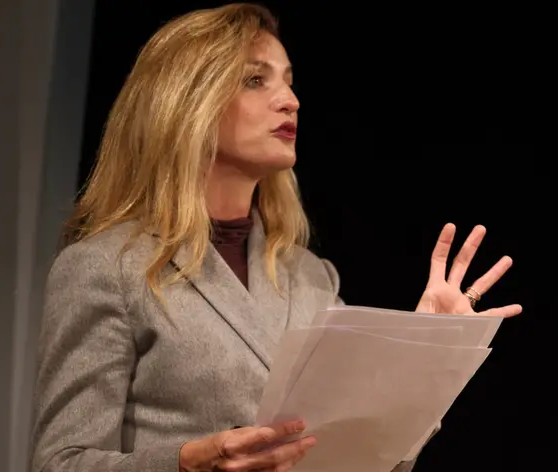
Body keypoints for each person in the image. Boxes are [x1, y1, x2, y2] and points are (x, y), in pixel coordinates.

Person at [29, 3, 523, 472]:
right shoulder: (106, 268)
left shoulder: (310, 276)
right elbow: (62, 461)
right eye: (255, 80)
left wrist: (422, 357)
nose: (290, 100)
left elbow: (369, 460)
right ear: (185, 102)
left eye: (288, 80)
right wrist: (186, 462)